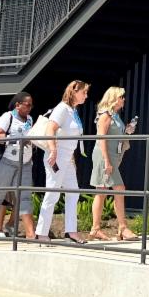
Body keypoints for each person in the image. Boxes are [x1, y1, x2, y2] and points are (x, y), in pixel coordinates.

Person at [37, 81, 89, 244]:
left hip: (68, 158)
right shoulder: (62, 109)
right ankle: (41, 233)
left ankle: (71, 231)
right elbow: (50, 129)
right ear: (74, 91)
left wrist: (71, 156)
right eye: (84, 92)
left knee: (73, 192)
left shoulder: (73, 111)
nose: (86, 96)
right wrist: (53, 150)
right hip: (57, 156)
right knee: (52, 193)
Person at [0, 91, 37, 242]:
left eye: (31, 105)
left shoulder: (30, 119)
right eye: (27, 105)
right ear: (18, 105)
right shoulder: (7, 117)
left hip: (24, 162)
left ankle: (31, 234)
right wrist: (16, 139)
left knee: (25, 197)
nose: (30, 108)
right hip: (5, 162)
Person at [89, 86, 137, 241]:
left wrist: (127, 131)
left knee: (101, 192)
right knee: (119, 188)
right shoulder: (105, 115)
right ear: (114, 98)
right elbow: (101, 138)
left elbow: (115, 136)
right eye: (121, 97)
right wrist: (107, 161)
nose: (123, 99)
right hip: (104, 157)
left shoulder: (115, 116)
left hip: (111, 157)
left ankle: (96, 229)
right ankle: (122, 227)